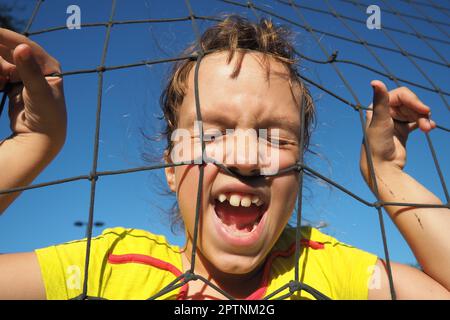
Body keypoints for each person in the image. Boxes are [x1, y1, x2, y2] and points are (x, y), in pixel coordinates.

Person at [0, 15, 448, 300]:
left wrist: (386, 175)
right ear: (172, 169)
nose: (246, 157)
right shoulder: (110, 267)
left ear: (302, 170)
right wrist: (32, 145)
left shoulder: (328, 268)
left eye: (276, 137)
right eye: (212, 133)